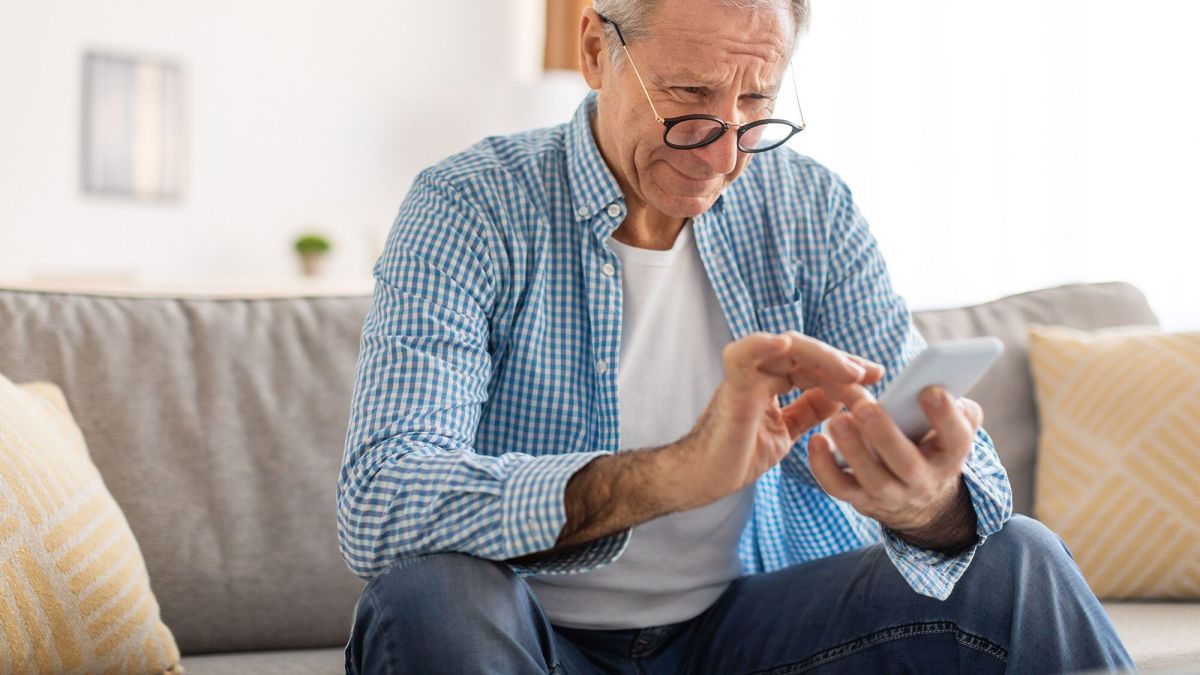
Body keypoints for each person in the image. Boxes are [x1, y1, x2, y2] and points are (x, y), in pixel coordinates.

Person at [337, 0, 1132, 672]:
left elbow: (971, 490)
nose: (722, 154)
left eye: (755, 103)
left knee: (1019, 558)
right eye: (688, 93)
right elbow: (382, 497)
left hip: (748, 632)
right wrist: (674, 474)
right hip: (527, 632)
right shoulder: (469, 207)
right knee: (430, 595)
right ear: (594, 50)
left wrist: (928, 502)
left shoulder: (808, 207)